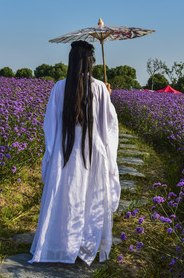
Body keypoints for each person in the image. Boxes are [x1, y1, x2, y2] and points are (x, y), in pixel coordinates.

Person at [29, 40, 120, 266]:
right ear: (90, 61)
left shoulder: (60, 87)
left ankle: (61, 243)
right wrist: (107, 96)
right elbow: (109, 126)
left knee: (66, 197)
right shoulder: (98, 87)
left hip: (66, 151)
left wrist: (52, 152)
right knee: (90, 199)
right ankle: (85, 244)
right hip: (93, 153)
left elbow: (50, 124)